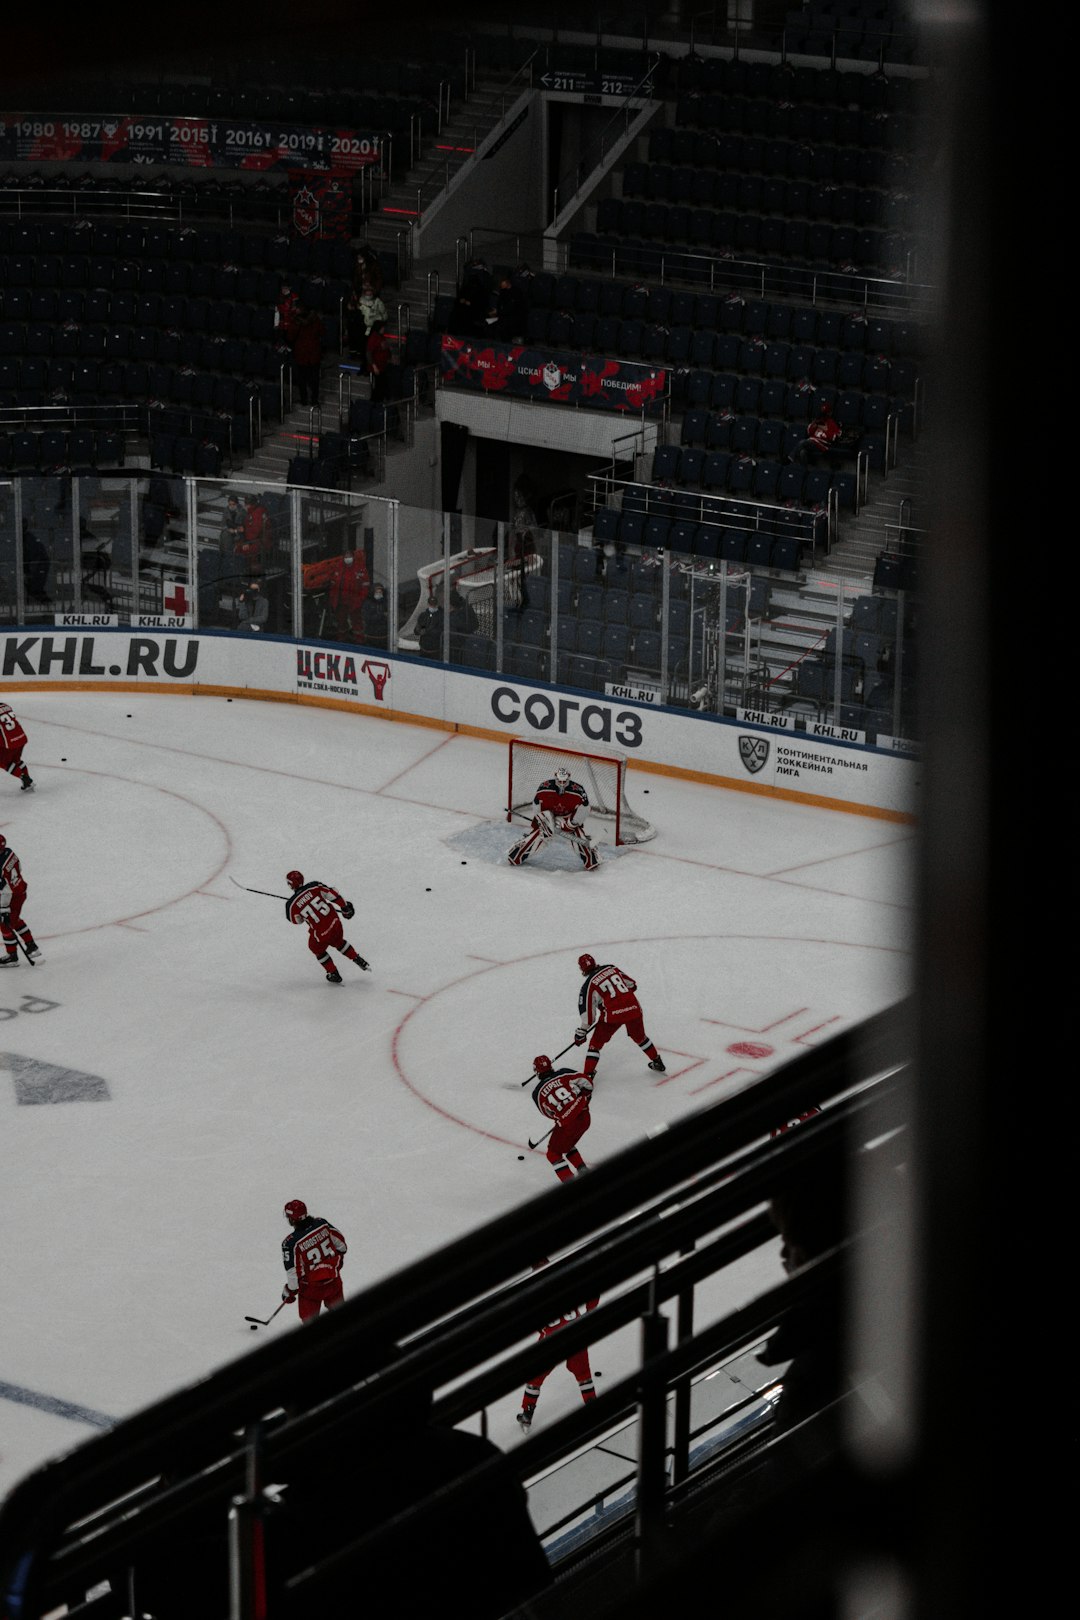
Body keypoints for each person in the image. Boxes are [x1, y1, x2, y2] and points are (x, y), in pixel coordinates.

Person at [517, 1265, 599, 1432]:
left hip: (552, 1339)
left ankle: (527, 1413)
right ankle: (592, 1407)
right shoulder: (566, 1285)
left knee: (535, 1377)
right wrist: (589, 1313)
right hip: (575, 1333)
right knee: (584, 1375)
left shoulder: (534, 1297)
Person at [575, 954, 665, 1080]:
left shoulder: (588, 986)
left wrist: (581, 1033)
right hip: (634, 1009)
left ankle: (588, 1075)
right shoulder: (611, 968)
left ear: (582, 969)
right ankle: (657, 1061)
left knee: (595, 1045)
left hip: (612, 1016)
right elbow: (632, 985)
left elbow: (588, 1016)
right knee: (640, 1037)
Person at [285, 870, 370, 985]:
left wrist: (300, 907)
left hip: (321, 933)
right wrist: (344, 907)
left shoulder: (291, 905)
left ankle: (333, 973)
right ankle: (357, 958)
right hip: (335, 922)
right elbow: (333, 895)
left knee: (315, 948)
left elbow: (296, 921)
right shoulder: (314, 886)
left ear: (290, 885)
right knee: (338, 941)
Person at [508, 766, 599, 872]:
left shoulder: (578, 790)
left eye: (564, 781)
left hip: (568, 818)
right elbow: (536, 804)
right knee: (540, 835)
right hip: (548, 816)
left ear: (569, 778)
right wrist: (542, 820)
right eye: (559, 781)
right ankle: (516, 854)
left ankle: (591, 859)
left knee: (578, 837)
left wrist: (572, 823)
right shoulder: (544, 787)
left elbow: (585, 808)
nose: (562, 784)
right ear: (555, 777)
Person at [281, 1199, 348, 1322]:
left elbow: (293, 1275)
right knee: (342, 1318)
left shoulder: (290, 1243)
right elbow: (342, 1246)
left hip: (310, 1290)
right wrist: (333, 1265)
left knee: (310, 1326)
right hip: (333, 1281)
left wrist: (289, 1291)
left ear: (292, 1219)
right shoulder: (322, 1224)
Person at [529, 1054, 592, 1184]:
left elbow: (546, 1112)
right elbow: (587, 1082)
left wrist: (561, 1115)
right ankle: (583, 1170)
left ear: (536, 1071)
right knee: (566, 1143)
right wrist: (584, 1096)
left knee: (553, 1154)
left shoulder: (537, 1093)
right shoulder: (564, 1072)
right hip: (585, 1117)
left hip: (567, 1124)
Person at [0, 834, 41, 965]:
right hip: (20, 889)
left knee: (5, 924)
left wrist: (4, 909)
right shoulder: (9, 852)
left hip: (12, 896)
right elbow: (19, 868)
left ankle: (12, 956)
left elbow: (5, 891)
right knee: (14, 920)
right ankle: (32, 946)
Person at [291, 304, 325, 408]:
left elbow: (291, 336)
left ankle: (304, 400)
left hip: (302, 354)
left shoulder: (296, 322)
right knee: (314, 380)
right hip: (313, 354)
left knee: (302, 380)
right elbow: (322, 332)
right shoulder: (316, 320)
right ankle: (314, 400)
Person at [0, 701, 34, 792]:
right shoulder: (5, 705)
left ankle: (24, 778)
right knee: (16, 760)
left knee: (3, 762)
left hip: (10, 742)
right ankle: (28, 782)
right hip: (21, 737)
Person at [235, 493, 272, 574]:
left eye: (247, 504)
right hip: (254, 539)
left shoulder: (258, 513)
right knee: (238, 547)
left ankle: (248, 571)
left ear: (250, 504)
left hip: (261, 540)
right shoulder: (253, 511)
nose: (246, 506)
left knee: (245, 550)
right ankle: (240, 570)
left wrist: (247, 542)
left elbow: (255, 531)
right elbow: (248, 526)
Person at [365, 320, 391, 402]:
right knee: (379, 386)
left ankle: (380, 400)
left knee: (382, 385)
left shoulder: (381, 337)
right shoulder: (374, 338)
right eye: (383, 327)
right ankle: (375, 401)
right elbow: (369, 353)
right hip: (377, 367)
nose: (384, 329)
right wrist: (374, 366)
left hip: (382, 366)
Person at [360, 580, 389, 648]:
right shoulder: (367, 604)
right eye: (377, 592)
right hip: (371, 635)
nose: (379, 594)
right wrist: (382, 615)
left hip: (384, 635)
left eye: (380, 592)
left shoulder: (385, 603)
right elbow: (367, 618)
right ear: (372, 592)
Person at [219, 493, 245, 563]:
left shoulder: (242, 512)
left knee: (226, 535)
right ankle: (224, 555)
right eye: (230, 504)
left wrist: (235, 530)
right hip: (229, 531)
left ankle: (227, 556)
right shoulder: (226, 510)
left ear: (236, 504)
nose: (231, 506)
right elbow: (223, 524)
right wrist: (228, 529)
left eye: (233, 504)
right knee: (225, 534)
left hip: (239, 533)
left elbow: (243, 526)